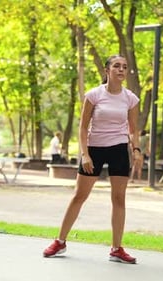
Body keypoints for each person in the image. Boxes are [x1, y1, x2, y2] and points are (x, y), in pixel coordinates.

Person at [43, 55, 142, 264]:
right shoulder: (94, 95)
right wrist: (85, 154)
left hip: (118, 149)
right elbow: (82, 127)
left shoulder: (130, 98)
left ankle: (117, 248)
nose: (121, 70)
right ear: (107, 70)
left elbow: (133, 129)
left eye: (124, 67)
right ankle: (60, 241)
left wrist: (136, 150)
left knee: (119, 199)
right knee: (79, 196)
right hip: (95, 149)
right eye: (117, 66)